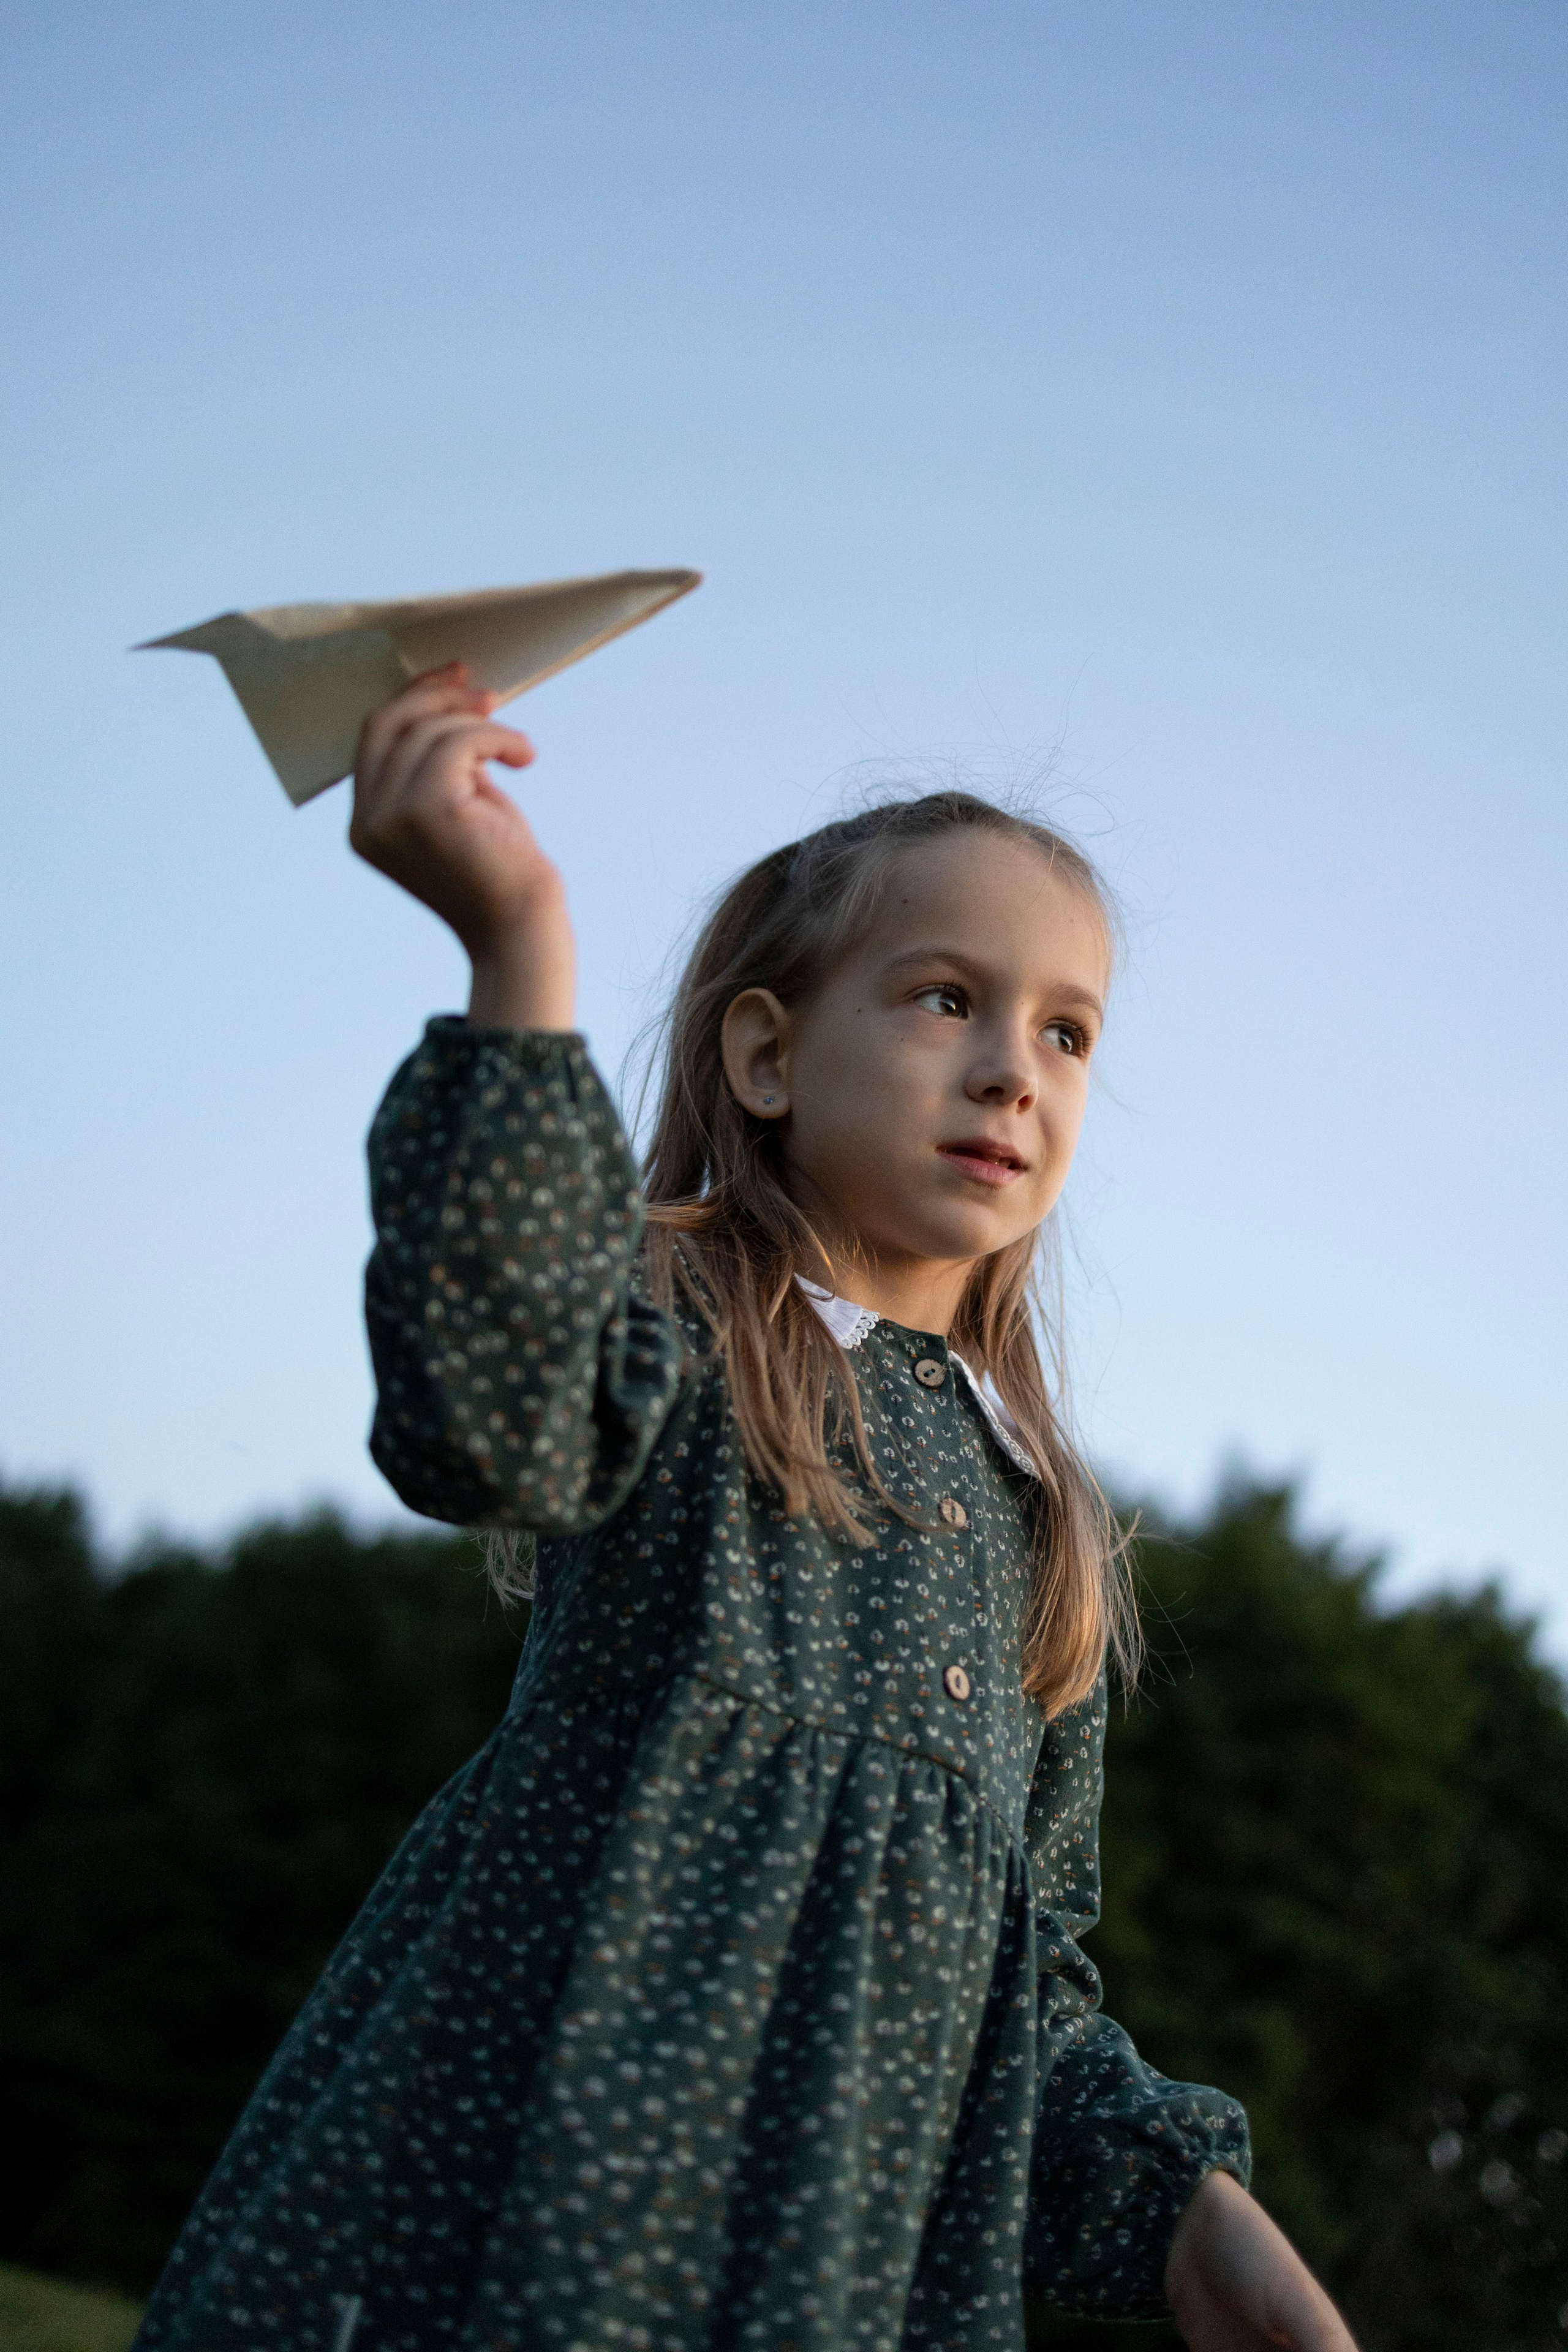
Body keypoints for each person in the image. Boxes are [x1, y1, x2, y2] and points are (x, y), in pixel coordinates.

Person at [133, 667, 1359, 2352]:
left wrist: (1197, 2220)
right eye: (946, 998)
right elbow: (484, 1424)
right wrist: (518, 951)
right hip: (533, 2209)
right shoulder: (677, 1320)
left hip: (835, 2287)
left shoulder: (1043, 1524)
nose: (1015, 1069)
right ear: (769, 1054)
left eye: (1066, 1029)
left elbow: (1030, 1983)